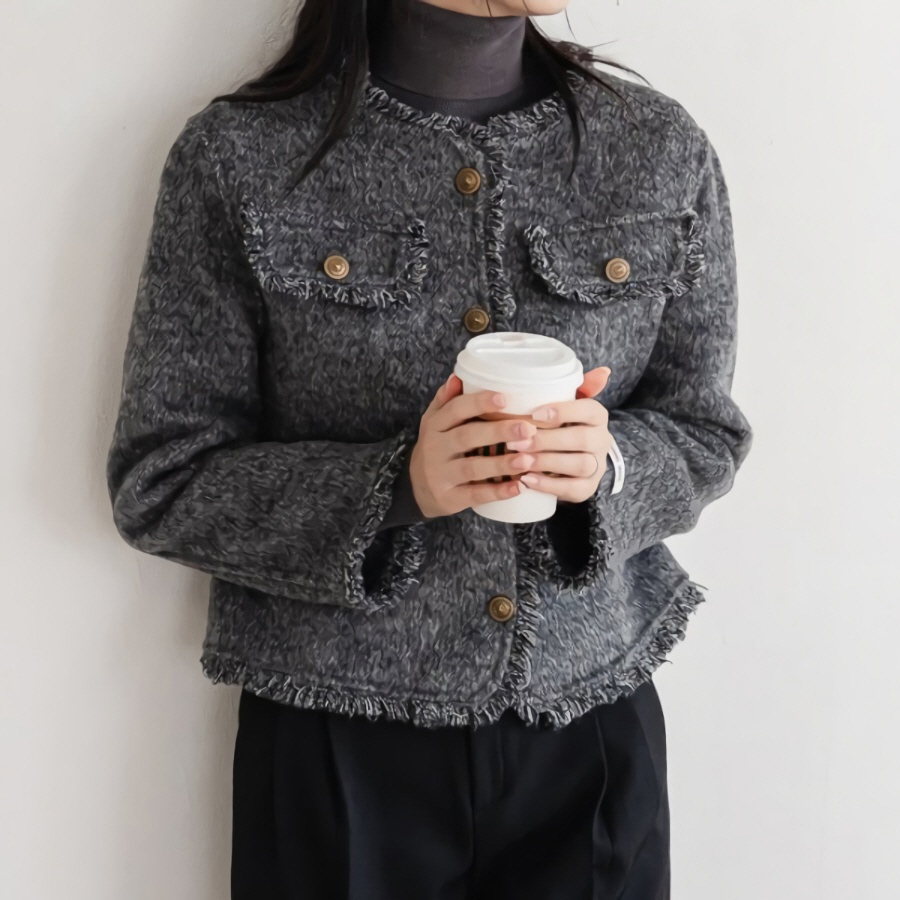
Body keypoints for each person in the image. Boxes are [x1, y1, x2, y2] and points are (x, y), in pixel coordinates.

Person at [105, 0, 754, 897]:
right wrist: (397, 486)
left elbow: (705, 430)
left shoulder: (657, 147)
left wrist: (606, 469)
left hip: (591, 737)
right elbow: (162, 478)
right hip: (336, 744)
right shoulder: (240, 157)